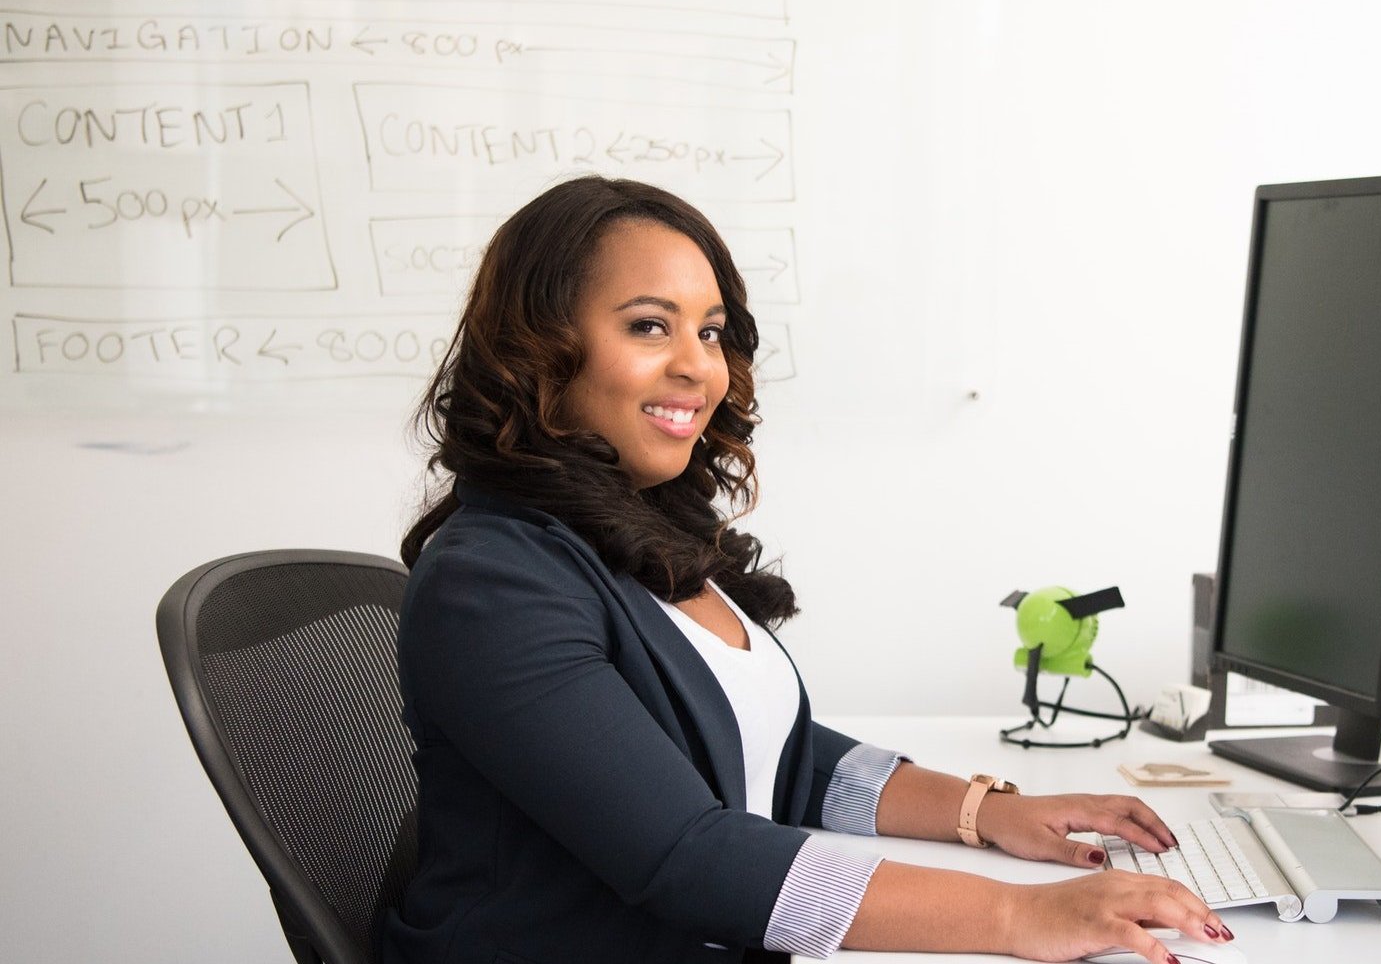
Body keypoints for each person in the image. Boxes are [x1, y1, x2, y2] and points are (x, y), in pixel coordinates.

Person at [384, 176, 1234, 964]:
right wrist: (1021, 915)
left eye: (710, 331)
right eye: (649, 325)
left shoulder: (640, 535)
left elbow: (779, 756)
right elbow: (687, 854)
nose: (697, 365)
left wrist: (990, 814)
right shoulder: (491, 584)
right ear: (539, 349)